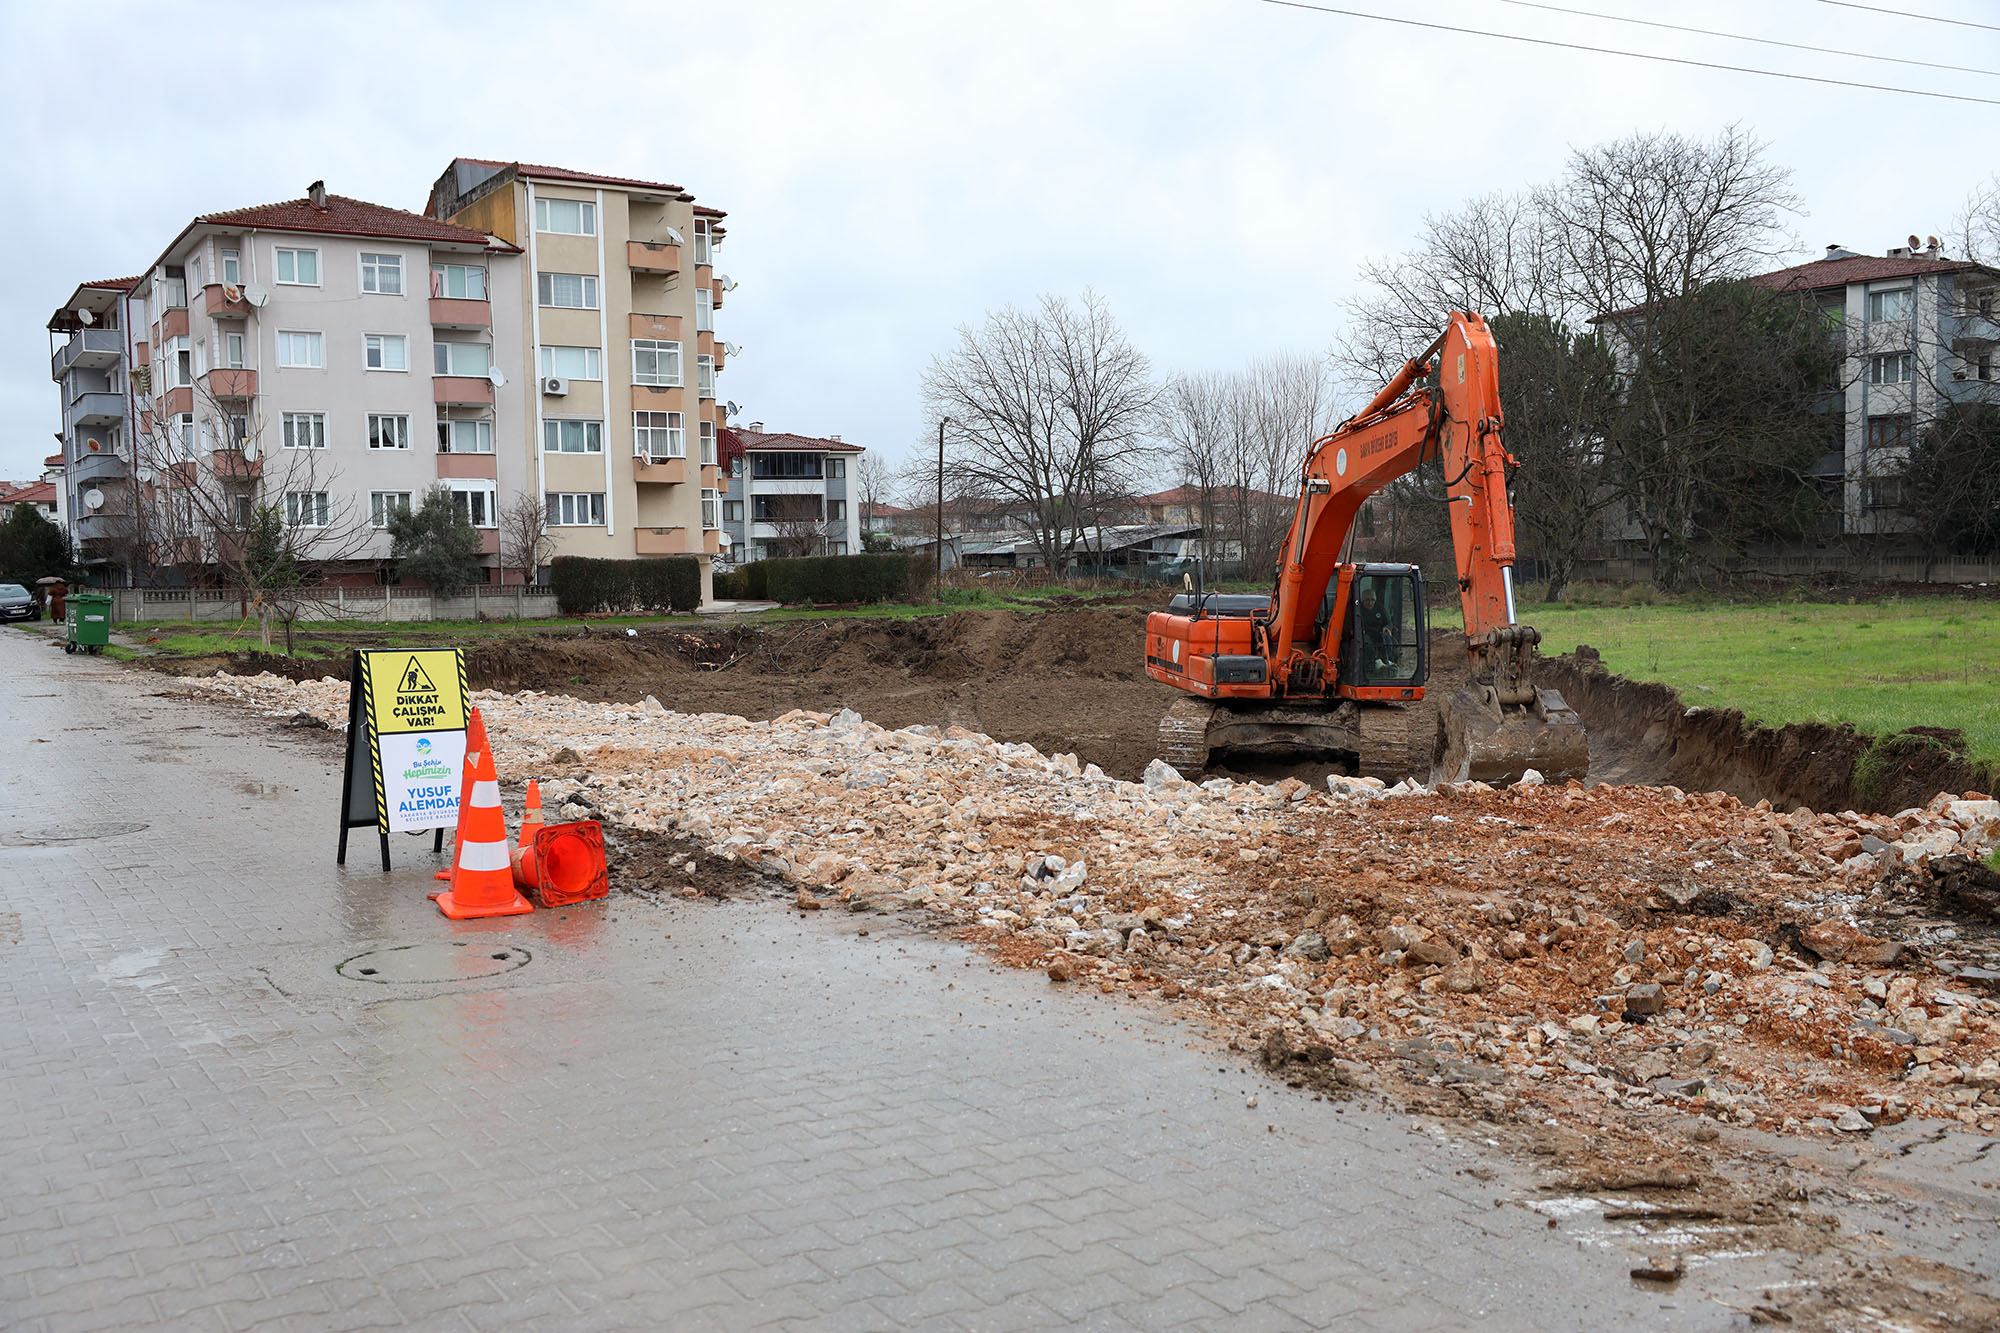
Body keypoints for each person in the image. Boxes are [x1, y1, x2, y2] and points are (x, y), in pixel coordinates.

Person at [1355, 587, 1392, 671]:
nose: (1370, 603)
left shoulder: (1380, 608)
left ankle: (1387, 660)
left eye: (1372, 600)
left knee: (1384, 636)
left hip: (1378, 633)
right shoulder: (1358, 610)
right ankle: (1376, 661)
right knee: (1365, 639)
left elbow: (1388, 622)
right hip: (1364, 634)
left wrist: (1387, 628)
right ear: (1362, 601)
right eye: (1367, 600)